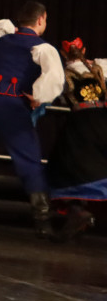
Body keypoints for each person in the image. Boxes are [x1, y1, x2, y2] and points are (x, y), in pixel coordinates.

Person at [0, 2, 65, 237]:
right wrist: (38, 96)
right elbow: (55, 77)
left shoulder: (0, 39)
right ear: (41, 20)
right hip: (11, 103)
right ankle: (43, 223)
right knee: (29, 161)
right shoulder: (42, 48)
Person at [45, 37, 105, 239]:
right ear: (84, 49)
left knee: (64, 164)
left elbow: (53, 92)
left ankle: (77, 209)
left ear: (63, 54)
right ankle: (80, 211)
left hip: (81, 123)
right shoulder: (100, 66)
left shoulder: (63, 73)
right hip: (103, 120)